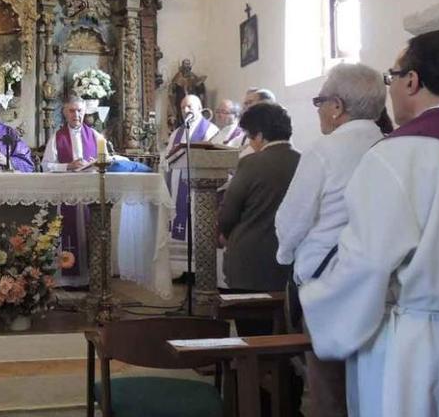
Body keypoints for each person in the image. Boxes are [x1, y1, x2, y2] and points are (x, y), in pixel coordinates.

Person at [300, 30, 439, 416]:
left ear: (412, 81)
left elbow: (367, 263)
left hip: (419, 348)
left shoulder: (398, 155)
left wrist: (316, 301)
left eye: (391, 78)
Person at [275, 64, 386, 417]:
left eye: (320, 101)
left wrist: (286, 255)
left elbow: (292, 221)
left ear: (336, 106)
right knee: (369, 385)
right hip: (379, 285)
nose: (320, 109)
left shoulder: (324, 151)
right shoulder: (391, 147)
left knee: (325, 389)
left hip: (328, 285)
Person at [40, 97, 150, 286]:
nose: (77, 115)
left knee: (92, 233)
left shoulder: (96, 136)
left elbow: (106, 162)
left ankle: (93, 277)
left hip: (93, 193)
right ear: (65, 113)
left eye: (80, 111)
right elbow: (46, 165)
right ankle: (68, 279)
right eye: (72, 111)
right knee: (69, 234)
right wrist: (69, 166)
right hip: (68, 194)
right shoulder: (57, 137)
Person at [219, 102, 298, 300]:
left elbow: (229, 212)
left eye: (249, 136)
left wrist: (225, 234)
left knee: (252, 324)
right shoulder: (303, 160)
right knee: (284, 325)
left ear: (260, 135)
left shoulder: (251, 163)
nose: (250, 142)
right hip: (291, 259)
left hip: (250, 260)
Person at [163, 94, 218, 241]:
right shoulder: (176, 133)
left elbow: (213, 157)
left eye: (189, 106)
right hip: (177, 181)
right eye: (182, 107)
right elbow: (168, 157)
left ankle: (198, 241)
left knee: (195, 216)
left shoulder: (210, 130)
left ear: (200, 108)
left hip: (198, 182)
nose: (185, 110)